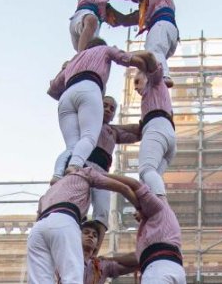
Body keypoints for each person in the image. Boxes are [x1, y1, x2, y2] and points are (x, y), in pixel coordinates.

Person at [48, 40, 156, 176]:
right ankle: (74, 166)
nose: (108, 110)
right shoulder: (105, 50)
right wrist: (149, 72)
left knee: (71, 146)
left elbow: (52, 90)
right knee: (88, 137)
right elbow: (130, 59)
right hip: (90, 87)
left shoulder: (74, 61)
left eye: (111, 108)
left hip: (67, 94)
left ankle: (57, 174)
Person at [25, 168, 135, 284]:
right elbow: (124, 188)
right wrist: (141, 208)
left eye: (94, 235)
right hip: (64, 220)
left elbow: (39, 218)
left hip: (38, 228)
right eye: (86, 232)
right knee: (72, 278)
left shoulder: (51, 191)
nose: (90, 237)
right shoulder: (85, 172)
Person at [53, 96, 140, 229]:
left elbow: (137, 132)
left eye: (112, 109)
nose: (108, 110)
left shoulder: (114, 132)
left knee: (103, 213)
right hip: (85, 166)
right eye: (104, 105)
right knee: (78, 204)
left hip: (103, 172)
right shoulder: (88, 122)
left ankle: (95, 245)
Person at [100, 173, 185, 284]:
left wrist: (100, 174)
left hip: (158, 269)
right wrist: (109, 259)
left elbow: (131, 185)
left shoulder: (158, 208)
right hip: (174, 270)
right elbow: (136, 258)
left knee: (147, 169)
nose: (135, 214)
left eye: (137, 208)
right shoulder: (153, 230)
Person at [115, 0, 178, 85]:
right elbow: (124, 20)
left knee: (153, 50)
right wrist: (107, 11)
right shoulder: (146, 9)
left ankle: (163, 76)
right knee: (151, 60)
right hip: (167, 30)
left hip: (162, 25)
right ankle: (154, 83)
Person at [132, 58, 175, 197]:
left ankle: (162, 210)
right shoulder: (155, 95)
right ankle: (152, 212)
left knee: (146, 170)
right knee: (148, 180)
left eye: (137, 81)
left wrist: (128, 57)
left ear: (147, 76)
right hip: (168, 133)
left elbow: (151, 57)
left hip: (157, 127)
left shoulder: (155, 82)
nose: (135, 87)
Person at [79, 219, 137, 284]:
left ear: (97, 245)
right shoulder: (67, 258)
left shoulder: (102, 265)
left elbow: (138, 259)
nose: (91, 236)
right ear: (76, 237)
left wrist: (110, 259)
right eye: (86, 233)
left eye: (94, 235)